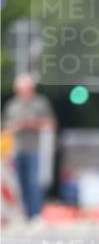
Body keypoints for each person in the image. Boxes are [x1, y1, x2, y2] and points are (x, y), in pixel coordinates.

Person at [1, 74, 56, 218]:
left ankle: (36, 213)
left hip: (35, 149)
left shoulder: (40, 103)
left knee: (34, 182)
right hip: (17, 149)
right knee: (19, 182)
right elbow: (5, 127)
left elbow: (51, 123)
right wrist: (15, 126)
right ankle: (24, 212)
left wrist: (32, 124)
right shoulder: (12, 105)